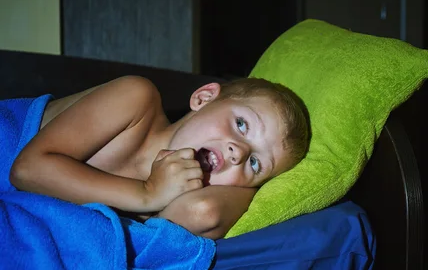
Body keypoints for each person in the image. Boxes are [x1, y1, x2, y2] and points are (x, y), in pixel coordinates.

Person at [9, 76, 310, 239]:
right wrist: (147, 193)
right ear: (203, 98)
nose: (239, 152)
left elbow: (207, 212)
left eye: (255, 163)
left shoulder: (171, 204)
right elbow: (26, 170)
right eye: (242, 124)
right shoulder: (136, 99)